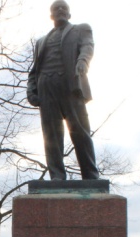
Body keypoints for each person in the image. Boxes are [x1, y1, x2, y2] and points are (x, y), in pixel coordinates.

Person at [27, 0, 98, 181]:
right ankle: (57, 177)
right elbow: (35, 69)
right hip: (46, 88)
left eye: (64, 8)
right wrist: (31, 89)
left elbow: (87, 47)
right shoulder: (41, 42)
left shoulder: (81, 29)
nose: (60, 10)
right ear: (51, 15)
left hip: (71, 86)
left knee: (80, 132)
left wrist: (82, 61)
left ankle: (91, 176)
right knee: (51, 136)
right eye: (56, 8)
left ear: (69, 13)